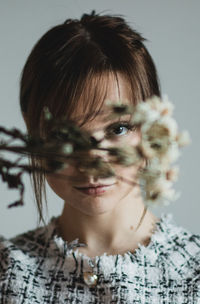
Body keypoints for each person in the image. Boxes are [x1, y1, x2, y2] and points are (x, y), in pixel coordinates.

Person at [0, 10, 199, 303]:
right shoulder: (9, 273)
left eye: (117, 128)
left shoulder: (192, 273)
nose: (91, 163)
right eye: (63, 135)